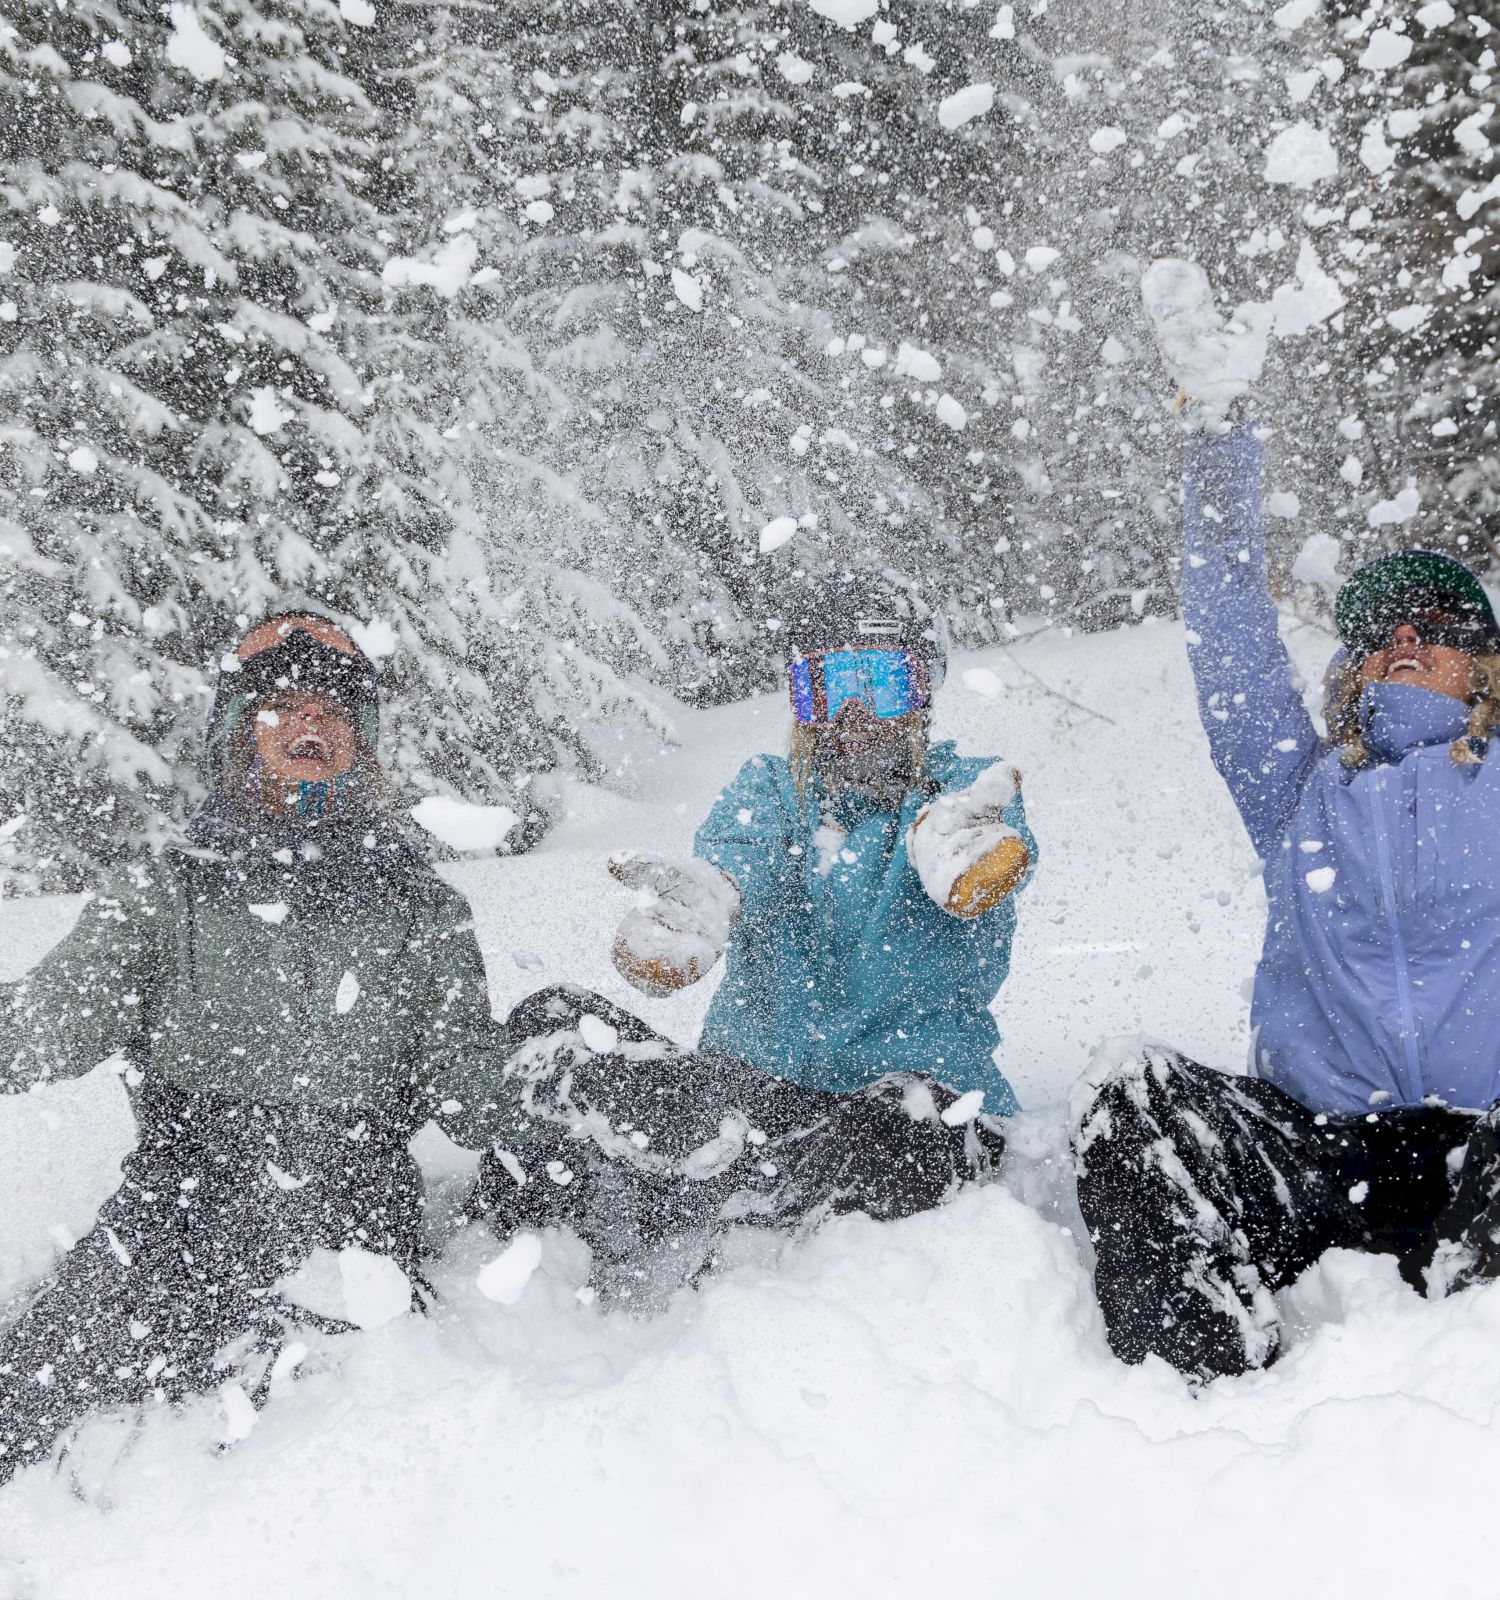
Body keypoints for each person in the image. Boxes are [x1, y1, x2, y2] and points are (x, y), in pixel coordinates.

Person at [0, 612, 1001, 1486]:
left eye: (335, 713)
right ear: (235, 735)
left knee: (300, 1446)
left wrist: (590, 1080)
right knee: (28, 1397)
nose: (310, 725)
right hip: (177, 1205)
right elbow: (41, 1026)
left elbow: (475, 1103)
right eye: (282, 706)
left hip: (351, 1230)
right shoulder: (162, 896)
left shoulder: (415, 907)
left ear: (363, 745)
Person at [1071, 259, 1500, 1381]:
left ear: (1484, 668)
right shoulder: (1301, 786)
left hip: (1491, 1154)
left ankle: (1473, 1343)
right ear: (1351, 667)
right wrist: (1217, 437)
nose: (1405, 634)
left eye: (1439, 621)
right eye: (1377, 626)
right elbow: (1228, 640)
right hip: (1323, 1157)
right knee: (1131, 1090)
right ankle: (1206, 1383)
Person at [604, 568, 1038, 1112]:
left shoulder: (967, 794)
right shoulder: (770, 790)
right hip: (757, 1100)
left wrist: (977, 860)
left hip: (918, 1109)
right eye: (826, 687)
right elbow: (740, 854)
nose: (852, 713)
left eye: (879, 683)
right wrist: (713, 895)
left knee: (882, 1134)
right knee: (561, 1027)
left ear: (921, 692)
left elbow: (994, 841)